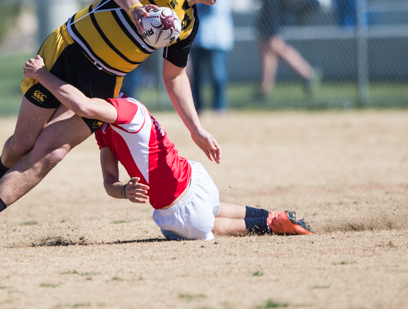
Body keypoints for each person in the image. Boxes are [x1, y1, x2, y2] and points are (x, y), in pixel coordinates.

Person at [0, 0, 235, 250]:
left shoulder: (188, 23)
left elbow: (174, 76)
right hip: (70, 53)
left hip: (105, 81)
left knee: (53, 152)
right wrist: (138, 10)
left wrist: (196, 129)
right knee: (22, 145)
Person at [22, 54, 312, 239]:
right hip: (192, 183)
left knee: (206, 224)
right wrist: (123, 190)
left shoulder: (128, 109)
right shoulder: (104, 130)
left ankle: (270, 223)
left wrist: (42, 75)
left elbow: (82, 104)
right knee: (210, 209)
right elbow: (109, 182)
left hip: (179, 207)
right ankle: (275, 215)